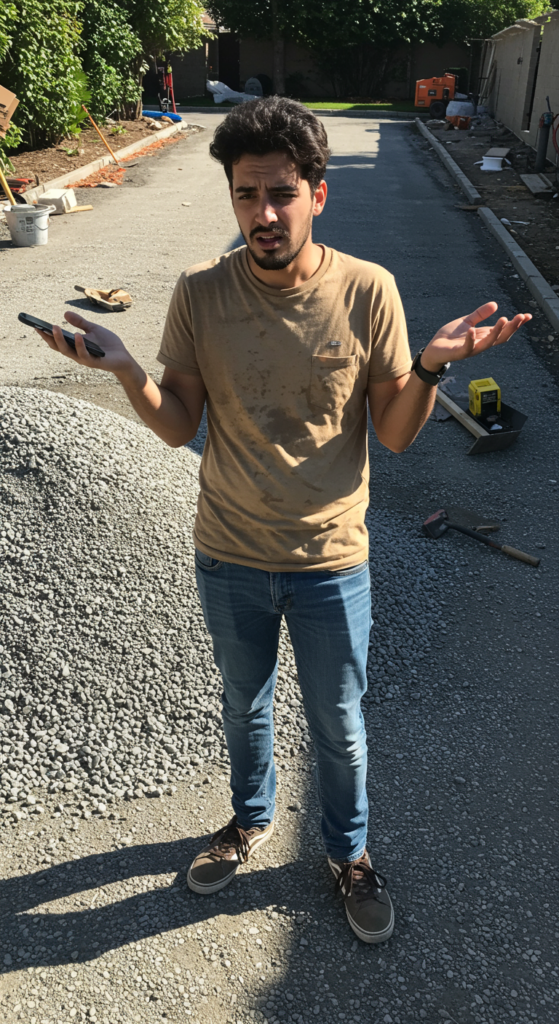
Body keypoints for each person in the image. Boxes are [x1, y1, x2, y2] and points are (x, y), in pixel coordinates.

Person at [35, 97, 530, 944]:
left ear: (317, 194)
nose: (262, 214)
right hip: (227, 553)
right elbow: (179, 423)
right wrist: (123, 369)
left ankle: (347, 852)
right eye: (244, 195)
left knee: (337, 724)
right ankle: (248, 821)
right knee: (243, 706)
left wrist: (425, 365)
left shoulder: (367, 290)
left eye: (279, 194)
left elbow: (399, 436)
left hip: (332, 559)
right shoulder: (198, 293)